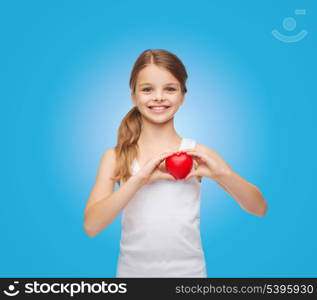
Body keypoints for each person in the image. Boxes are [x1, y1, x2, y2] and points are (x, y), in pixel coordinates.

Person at [84, 49, 268, 278]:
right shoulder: (116, 156)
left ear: (183, 96)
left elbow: (259, 208)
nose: (159, 97)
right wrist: (139, 179)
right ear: (133, 96)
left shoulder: (198, 154)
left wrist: (223, 174)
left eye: (169, 89)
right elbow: (92, 226)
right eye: (147, 89)